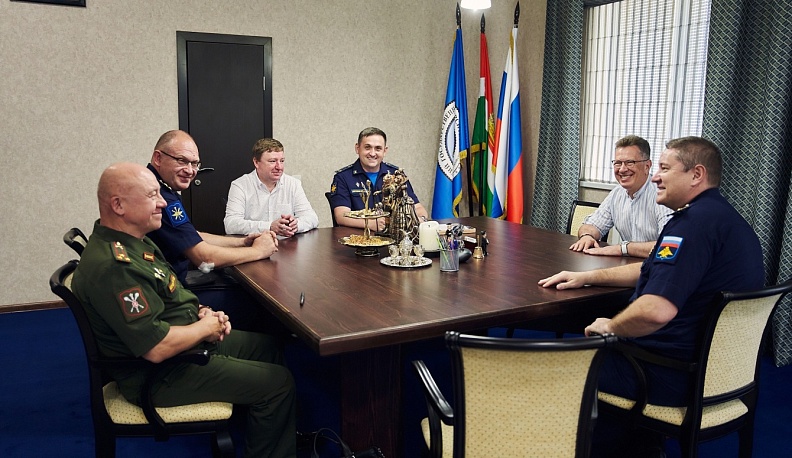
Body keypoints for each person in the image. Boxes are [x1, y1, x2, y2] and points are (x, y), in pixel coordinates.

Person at [539, 137, 764, 457]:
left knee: (553, 361)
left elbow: (654, 311)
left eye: (664, 168)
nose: (656, 176)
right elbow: (653, 267)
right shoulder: (722, 218)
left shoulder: (688, 226)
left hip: (666, 375)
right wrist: (585, 277)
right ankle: (641, 445)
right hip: (717, 372)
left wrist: (611, 326)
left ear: (696, 174)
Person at [71, 162, 297, 458]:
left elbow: (167, 292)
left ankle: (264, 426)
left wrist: (201, 312)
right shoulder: (113, 266)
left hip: (184, 341)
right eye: (153, 196)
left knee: (268, 347)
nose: (163, 202)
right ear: (118, 205)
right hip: (162, 374)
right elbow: (156, 348)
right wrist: (206, 327)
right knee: (278, 384)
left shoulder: (133, 241)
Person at [146, 130, 278, 285]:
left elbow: (191, 236)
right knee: (252, 295)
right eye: (181, 160)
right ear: (158, 158)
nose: (190, 170)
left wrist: (242, 242)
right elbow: (205, 259)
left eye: (194, 163)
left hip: (170, 282)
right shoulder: (160, 195)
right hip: (170, 292)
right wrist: (258, 251)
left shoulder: (161, 185)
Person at [570, 135, 673, 258]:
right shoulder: (617, 193)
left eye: (630, 162)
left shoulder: (662, 194)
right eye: (618, 163)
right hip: (628, 267)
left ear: (647, 166)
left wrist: (622, 248)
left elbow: (668, 247)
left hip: (659, 267)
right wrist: (587, 236)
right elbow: (591, 225)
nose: (622, 169)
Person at [328, 127, 429, 231]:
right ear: (357, 148)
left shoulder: (396, 175)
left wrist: (421, 220)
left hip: (393, 238)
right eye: (367, 147)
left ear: (385, 151)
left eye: (378, 148)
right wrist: (369, 224)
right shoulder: (343, 177)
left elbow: (417, 208)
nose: (372, 153)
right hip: (358, 238)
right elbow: (341, 216)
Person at [224, 137, 318, 237]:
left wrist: (296, 225)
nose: (279, 167)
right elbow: (231, 224)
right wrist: (269, 227)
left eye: (282, 161)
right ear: (256, 162)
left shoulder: (293, 184)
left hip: (286, 247)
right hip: (253, 247)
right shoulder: (240, 185)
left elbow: (312, 218)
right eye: (272, 161)